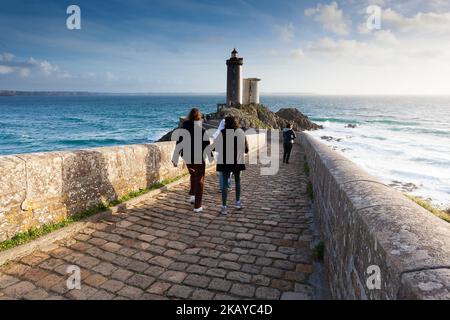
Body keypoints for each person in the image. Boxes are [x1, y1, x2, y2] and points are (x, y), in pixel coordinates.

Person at [172, 108, 211, 213]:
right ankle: (197, 206)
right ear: (199, 117)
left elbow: (178, 144)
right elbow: (207, 145)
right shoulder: (201, 129)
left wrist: (175, 158)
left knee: (193, 174)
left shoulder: (183, 129)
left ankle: (192, 196)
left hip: (187, 156)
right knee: (200, 180)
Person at [216, 116, 249, 215]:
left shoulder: (222, 133)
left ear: (226, 123)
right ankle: (238, 203)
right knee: (238, 181)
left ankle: (224, 207)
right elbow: (246, 150)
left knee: (225, 184)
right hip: (237, 161)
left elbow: (216, 148)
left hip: (225, 161)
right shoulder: (241, 133)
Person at [212, 119, 232, 193]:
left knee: (222, 172)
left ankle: (222, 188)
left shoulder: (219, 133)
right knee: (229, 171)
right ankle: (229, 186)